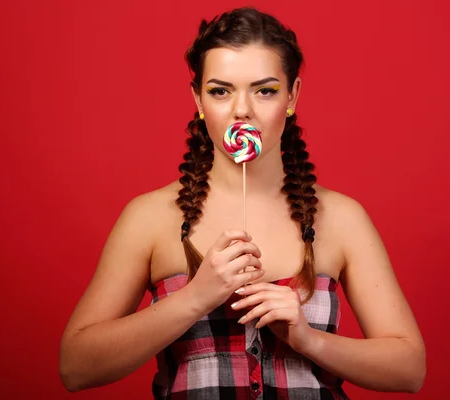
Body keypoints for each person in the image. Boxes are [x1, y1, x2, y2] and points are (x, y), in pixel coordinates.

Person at [59, 6, 426, 399]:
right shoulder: (149, 218)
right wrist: (195, 297)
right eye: (220, 91)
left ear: (293, 95)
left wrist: (308, 340)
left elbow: (408, 371)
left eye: (265, 90)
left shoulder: (342, 218)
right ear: (198, 98)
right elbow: (76, 367)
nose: (242, 110)